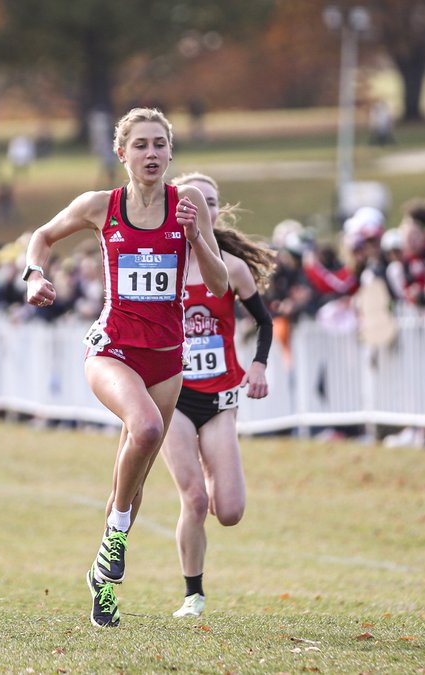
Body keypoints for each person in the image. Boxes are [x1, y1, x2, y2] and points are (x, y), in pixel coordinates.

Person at [22, 108, 228, 628]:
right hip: (112, 348)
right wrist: (33, 276)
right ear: (122, 153)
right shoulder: (99, 206)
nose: (151, 153)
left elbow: (221, 284)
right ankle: (114, 539)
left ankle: (103, 582)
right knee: (148, 426)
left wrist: (197, 237)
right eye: (141, 145)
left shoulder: (190, 204)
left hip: (165, 357)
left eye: (160, 144)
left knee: (133, 481)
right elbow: (42, 237)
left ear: (171, 153)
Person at [157, 172, 275, 619]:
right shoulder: (161, 263)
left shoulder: (232, 267)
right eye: (193, 200)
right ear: (177, 206)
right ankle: (193, 595)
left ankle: (212, 464)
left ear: (218, 210)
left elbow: (264, 321)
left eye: (211, 201)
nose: (202, 207)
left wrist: (258, 364)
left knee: (229, 510)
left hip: (221, 397)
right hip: (174, 396)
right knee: (195, 500)